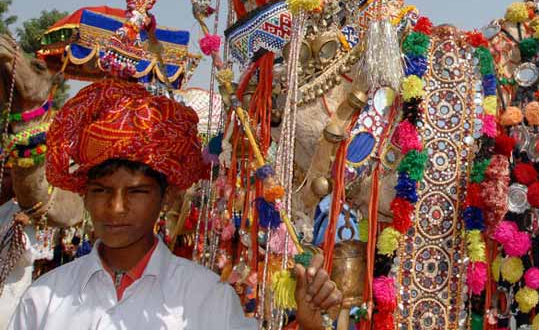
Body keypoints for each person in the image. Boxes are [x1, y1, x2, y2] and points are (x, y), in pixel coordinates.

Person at [9, 81, 340, 329]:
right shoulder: (44, 299)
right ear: (84, 194)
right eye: (101, 191)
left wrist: (309, 326)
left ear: (165, 196)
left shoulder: (208, 298)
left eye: (136, 192)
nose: (116, 208)